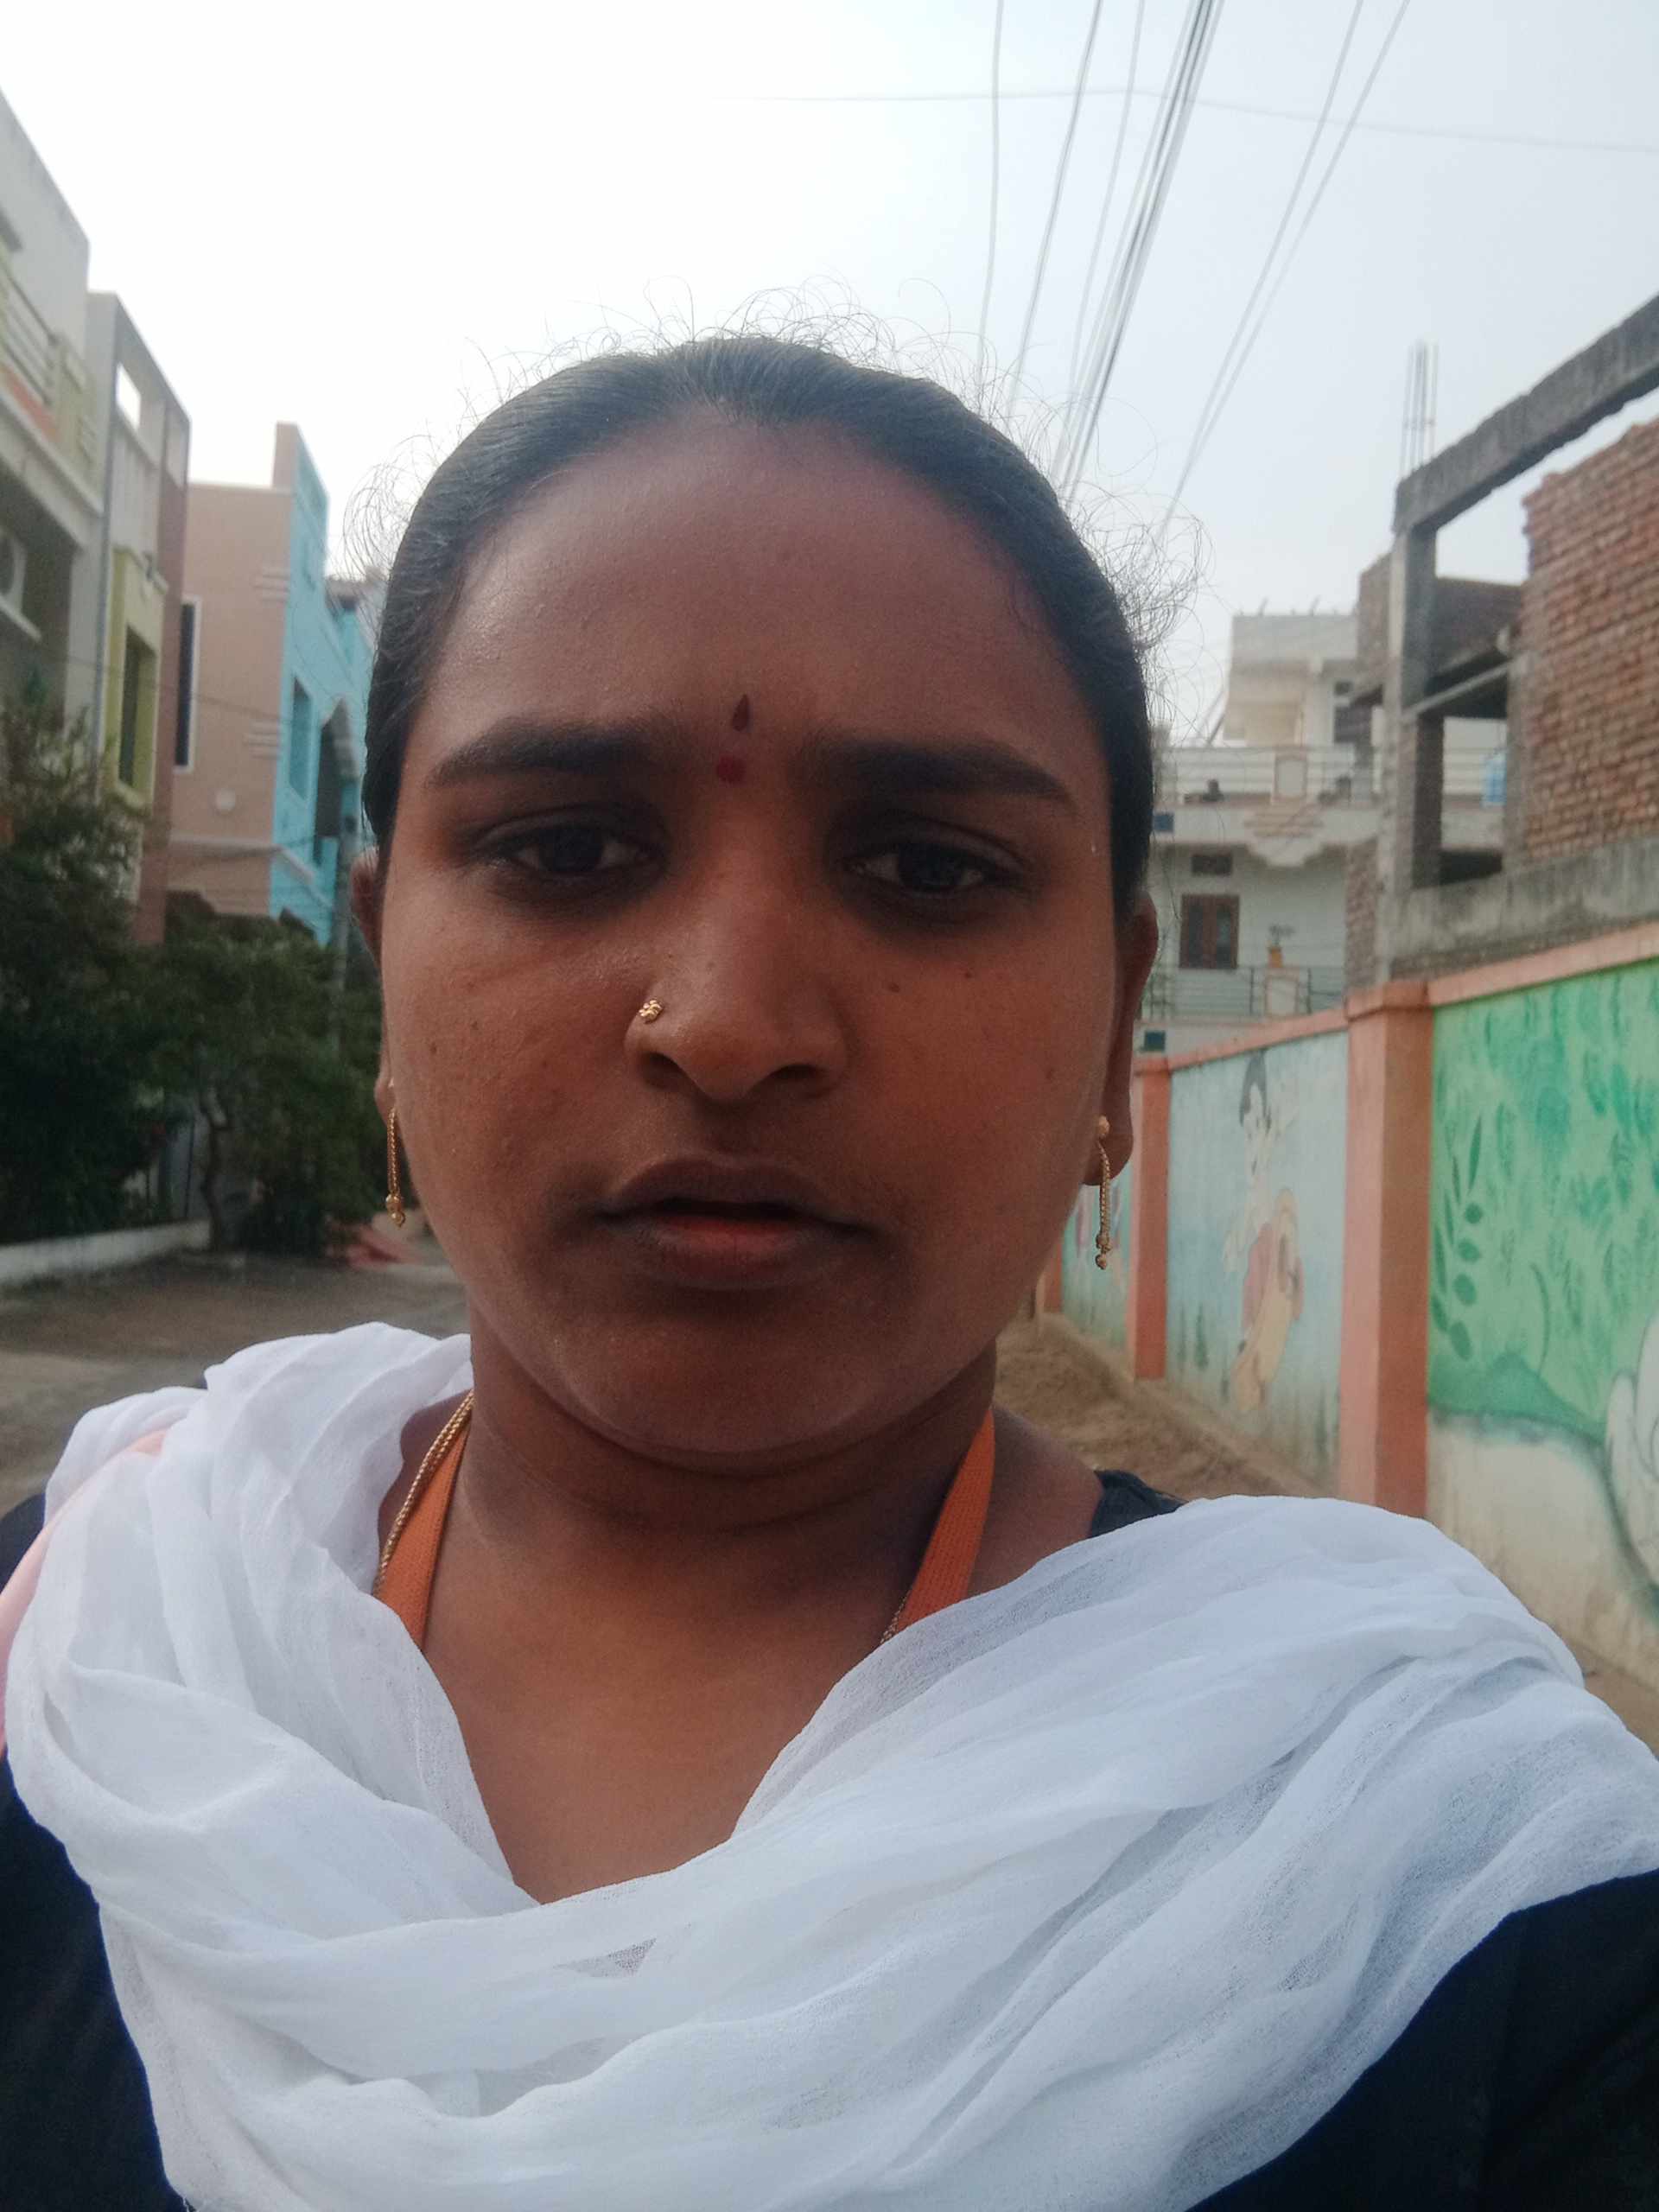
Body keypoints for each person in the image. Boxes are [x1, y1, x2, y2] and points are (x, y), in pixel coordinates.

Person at [3, 333, 1659, 2212]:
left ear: (1115, 1016)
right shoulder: (99, 1655)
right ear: (383, 963)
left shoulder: (1432, 1878)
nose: (727, 1024)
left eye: (928, 870)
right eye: (566, 846)